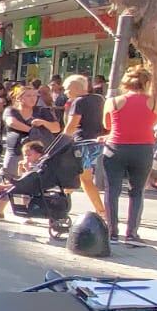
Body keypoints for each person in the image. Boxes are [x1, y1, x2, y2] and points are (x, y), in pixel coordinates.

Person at [101, 67, 157, 245]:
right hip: (143, 148)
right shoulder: (155, 102)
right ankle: (132, 233)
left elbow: (107, 124)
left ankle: (112, 232)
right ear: (147, 82)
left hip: (116, 147)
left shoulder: (113, 101)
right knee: (137, 191)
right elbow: (154, 122)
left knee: (112, 190)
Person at [60, 74, 108, 220]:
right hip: (98, 141)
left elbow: (72, 125)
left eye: (67, 88)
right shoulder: (99, 99)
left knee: (83, 178)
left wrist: (62, 141)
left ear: (75, 88)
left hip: (83, 143)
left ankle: (101, 210)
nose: (65, 92)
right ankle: (100, 209)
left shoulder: (78, 102)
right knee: (80, 176)